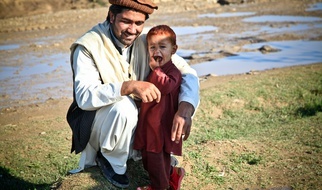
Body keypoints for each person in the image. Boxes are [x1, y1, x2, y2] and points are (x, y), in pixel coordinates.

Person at [66, 0, 199, 188]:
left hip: (138, 122)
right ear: (112, 16)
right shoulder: (88, 46)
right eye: (126, 21)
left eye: (139, 23)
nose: (132, 29)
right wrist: (128, 86)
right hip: (98, 122)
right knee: (124, 106)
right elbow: (84, 97)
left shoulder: (147, 41)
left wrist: (185, 108)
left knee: (166, 104)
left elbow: (187, 73)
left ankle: (146, 157)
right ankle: (111, 162)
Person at [133, 25, 185, 190]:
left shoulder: (172, 72)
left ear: (173, 49)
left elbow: (166, 86)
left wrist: (156, 70)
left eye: (162, 47)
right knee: (148, 156)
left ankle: (160, 186)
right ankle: (173, 174)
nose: (157, 52)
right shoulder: (157, 69)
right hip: (150, 120)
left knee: (156, 157)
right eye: (152, 47)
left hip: (161, 124)